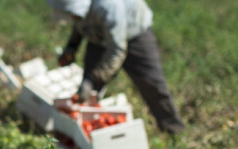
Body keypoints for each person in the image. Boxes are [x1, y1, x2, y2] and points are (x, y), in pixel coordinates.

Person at [47, 0, 184, 134]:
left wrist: (93, 79)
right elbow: (79, 23)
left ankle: (173, 130)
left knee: (152, 86)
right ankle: (89, 134)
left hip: (134, 35)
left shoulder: (108, 5)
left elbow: (117, 50)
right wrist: (72, 46)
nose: (72, 18)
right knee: (89, 92)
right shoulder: (79, 9)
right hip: (99, 37)